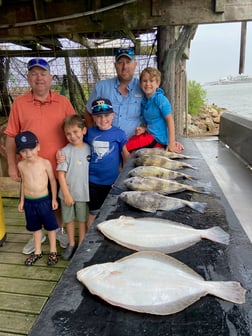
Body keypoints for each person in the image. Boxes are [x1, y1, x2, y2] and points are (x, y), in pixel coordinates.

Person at [4, 58, 76, 255]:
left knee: (58, 202)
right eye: (34, 74)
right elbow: (10, 136)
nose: (39, 78)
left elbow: (74, 130)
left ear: (51, 77)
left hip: (59, 165)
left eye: (43, 73)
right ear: (28, 78)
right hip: (30, 168)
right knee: (31, 202)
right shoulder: (20, 103)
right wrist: (11, 165)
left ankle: (58, 230)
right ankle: (37, 234)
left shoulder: (63, 102)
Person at [15, 131, 59, 266]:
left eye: (31, 149)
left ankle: (53, 251)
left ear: (38, 147)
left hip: (44, 201)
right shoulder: (21, 165)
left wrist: (53, 199)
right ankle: (37, 251)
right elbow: (23, 183)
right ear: (20, 152)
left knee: (51, 227)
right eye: (24, 151)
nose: (28, 153)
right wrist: (22, 200)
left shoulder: (45, 163)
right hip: (29, 202)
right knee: (35, 228)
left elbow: (52, 181)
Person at [85, 98, 130, 228]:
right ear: (93, 117)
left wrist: (122, 177)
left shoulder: (119, 134)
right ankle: (90, 241)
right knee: (94, 213)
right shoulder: (89, 133)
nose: (103, 119)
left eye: (106, 115)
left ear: (113, 115)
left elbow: (125, 155)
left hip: (112, 182)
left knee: (113, 213)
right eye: (98, 116)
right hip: (92, 182)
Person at [84, 47, 143, 139]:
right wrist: (93, 136)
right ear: (115, 65)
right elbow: (88, 112)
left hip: (133, 144)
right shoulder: (101, 87)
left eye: (128, 62)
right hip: (106, 145)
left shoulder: (143, 88)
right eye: (120, 63)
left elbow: (155, 116)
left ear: (135, 64)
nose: (124, 67)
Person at [126, 67, 184, 153]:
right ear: (140, 84)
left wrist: (171, 143)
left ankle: (123, 166)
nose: (148, 84)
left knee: (125, 147)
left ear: (157, 84)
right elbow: (151, 123)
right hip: (149, 135)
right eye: (145, 81)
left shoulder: (160, 99)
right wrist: (143, 129)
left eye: (151, 81)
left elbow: (170, 120)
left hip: (156, 139)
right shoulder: (144, 102)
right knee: (125, 143)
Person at [57, 115, 90, 260]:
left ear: (84, 130)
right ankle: (71, 243)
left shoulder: (89, 148)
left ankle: (81, 244)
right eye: (68, 133)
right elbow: (61, 175)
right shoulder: (64, 152)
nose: (72, 136)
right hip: (67, 194)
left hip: (83, 193)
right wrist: (67, 194)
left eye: (75, 131)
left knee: (82, 220)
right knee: (69, 220)